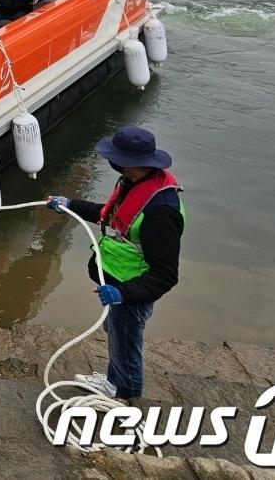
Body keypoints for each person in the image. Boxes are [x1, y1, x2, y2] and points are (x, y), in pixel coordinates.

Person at [46, 126, 184, 401]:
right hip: (120, 281)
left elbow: (166, 275)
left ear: (129, 163)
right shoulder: (135, 184)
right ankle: (113, 380)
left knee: (125, 341)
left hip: (133, 289)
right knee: (116, 332)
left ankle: (125, 394)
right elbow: (108, 215)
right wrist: (70, 204)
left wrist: (124, 294)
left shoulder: (161, 212)